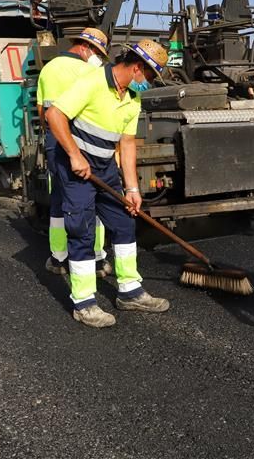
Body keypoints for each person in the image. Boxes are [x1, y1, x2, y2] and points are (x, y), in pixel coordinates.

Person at [45, 39, 169, 328]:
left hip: (105, 168)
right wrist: (75, 155)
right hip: (76, 167)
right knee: (82, 230)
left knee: (124, 222)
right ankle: (84, 303)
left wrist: (133, 189)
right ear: (137, 68)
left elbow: (126, 145)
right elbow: (55, 114)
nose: (149, 83)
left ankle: (130, 292)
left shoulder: (132, 99)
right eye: (150, 77)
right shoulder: (92, 83)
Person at [36, 27, 112, 278]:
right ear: (86, 48)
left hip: (55, 141)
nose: (98, 57)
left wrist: (51, 138)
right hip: (84, 141)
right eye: (97, 52)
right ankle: (98, 259)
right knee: (92, 197)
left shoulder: (48, 69)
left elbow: (42, 111)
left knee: (59, 198)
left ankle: (58, 258)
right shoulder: (92, 71)